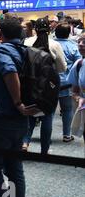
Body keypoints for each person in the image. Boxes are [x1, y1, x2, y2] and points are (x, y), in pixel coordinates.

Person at [0, 17, 39, 197]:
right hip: (21, 120)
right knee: (14, 168)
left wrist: (18, 102)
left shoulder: (1, 50)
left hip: (1, 119)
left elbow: (10, 72)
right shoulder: (24, 51)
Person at [22, 17, 67, 154]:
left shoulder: (26, 42)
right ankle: (44, 150)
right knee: (48, 115)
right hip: (48, 86)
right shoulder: (54, 44)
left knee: (29, 114)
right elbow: (62, 67)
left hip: (29, 83)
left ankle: (25, 142)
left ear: (35, 29)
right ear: (49, 29)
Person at [54, 23, 81, 143]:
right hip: (66, 82)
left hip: (50, 81)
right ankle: (66, 135)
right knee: (67, 109)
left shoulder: (51, 43)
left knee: (48, 110)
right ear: (69, 33)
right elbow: (78, 65)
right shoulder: (74, 46)